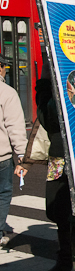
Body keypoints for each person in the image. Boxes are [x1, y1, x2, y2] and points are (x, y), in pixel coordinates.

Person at [22, 61, 71, 271]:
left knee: (59, 209)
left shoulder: (57, 102)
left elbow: (43, 109)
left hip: (61, 158)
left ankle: (66, 258)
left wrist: (44, 79)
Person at [0, 54, 28, 247]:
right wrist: (22, 156)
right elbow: (15, 128)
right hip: (2, 156)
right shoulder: (7, 92)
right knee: (3, 192)